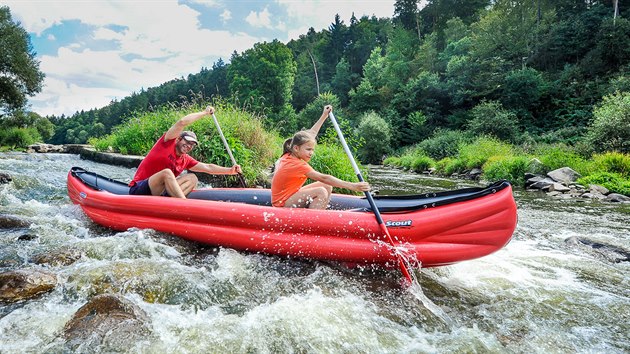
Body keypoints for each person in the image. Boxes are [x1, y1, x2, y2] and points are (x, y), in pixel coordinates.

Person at [128, 106, 241, 198]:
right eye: (187, 142)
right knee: (167, 173)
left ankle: (171, 201)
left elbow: (208, 167)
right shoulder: (167, 142)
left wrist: (230, 171)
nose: (188, 146)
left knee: (192, 178)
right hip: (139, 188)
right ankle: (184, 204)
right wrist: (204, 113)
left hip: (159, 193)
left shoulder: (185, 159)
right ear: (178, 139)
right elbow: (182, 122)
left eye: (192, 145)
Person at [271, 105, 370, 209]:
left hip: (290, 194)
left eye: (312, 150)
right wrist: (352, 186)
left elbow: (311, 134)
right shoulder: (297, 164)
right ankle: (313, 222)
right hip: (281, 203)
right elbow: (324, 177)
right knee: (321, 191)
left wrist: (324, 115)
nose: (311, 153)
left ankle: (319, 214)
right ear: (296, 148)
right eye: (308, 150)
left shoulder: (290, 153)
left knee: (326, 186)